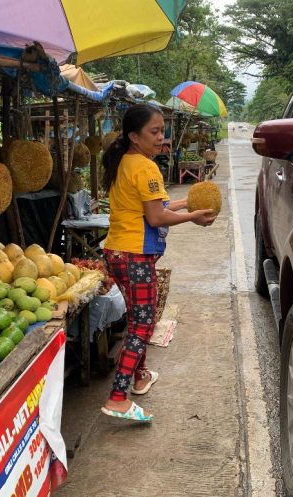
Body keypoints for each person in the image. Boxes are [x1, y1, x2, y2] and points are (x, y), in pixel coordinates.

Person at [99, 103, 217, 422]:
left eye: (162, 130)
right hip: (136, 254)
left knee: (138, 318)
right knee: (142, 325)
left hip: (116, 252)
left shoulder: (123, 162)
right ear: (134, 136)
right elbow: (156, 216)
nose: (160, 136)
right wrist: (192, 217)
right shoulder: (146, 167)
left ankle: (139, 378)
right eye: (154, 131)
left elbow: (157, 204)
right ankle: (118, 397)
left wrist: (190, 202)